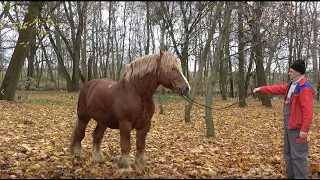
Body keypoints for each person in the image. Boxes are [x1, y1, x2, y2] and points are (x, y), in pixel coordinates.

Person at [253, 60, 315, 179]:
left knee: (298, 156)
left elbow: (308, 111)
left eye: (291, 71)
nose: (289, 73)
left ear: (298, 73)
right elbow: (276, 89)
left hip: (298, 128)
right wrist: (261, 89)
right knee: (288, 153)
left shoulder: (305, 88)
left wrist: (304, 130)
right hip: (289, 126)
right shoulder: (291, 85)